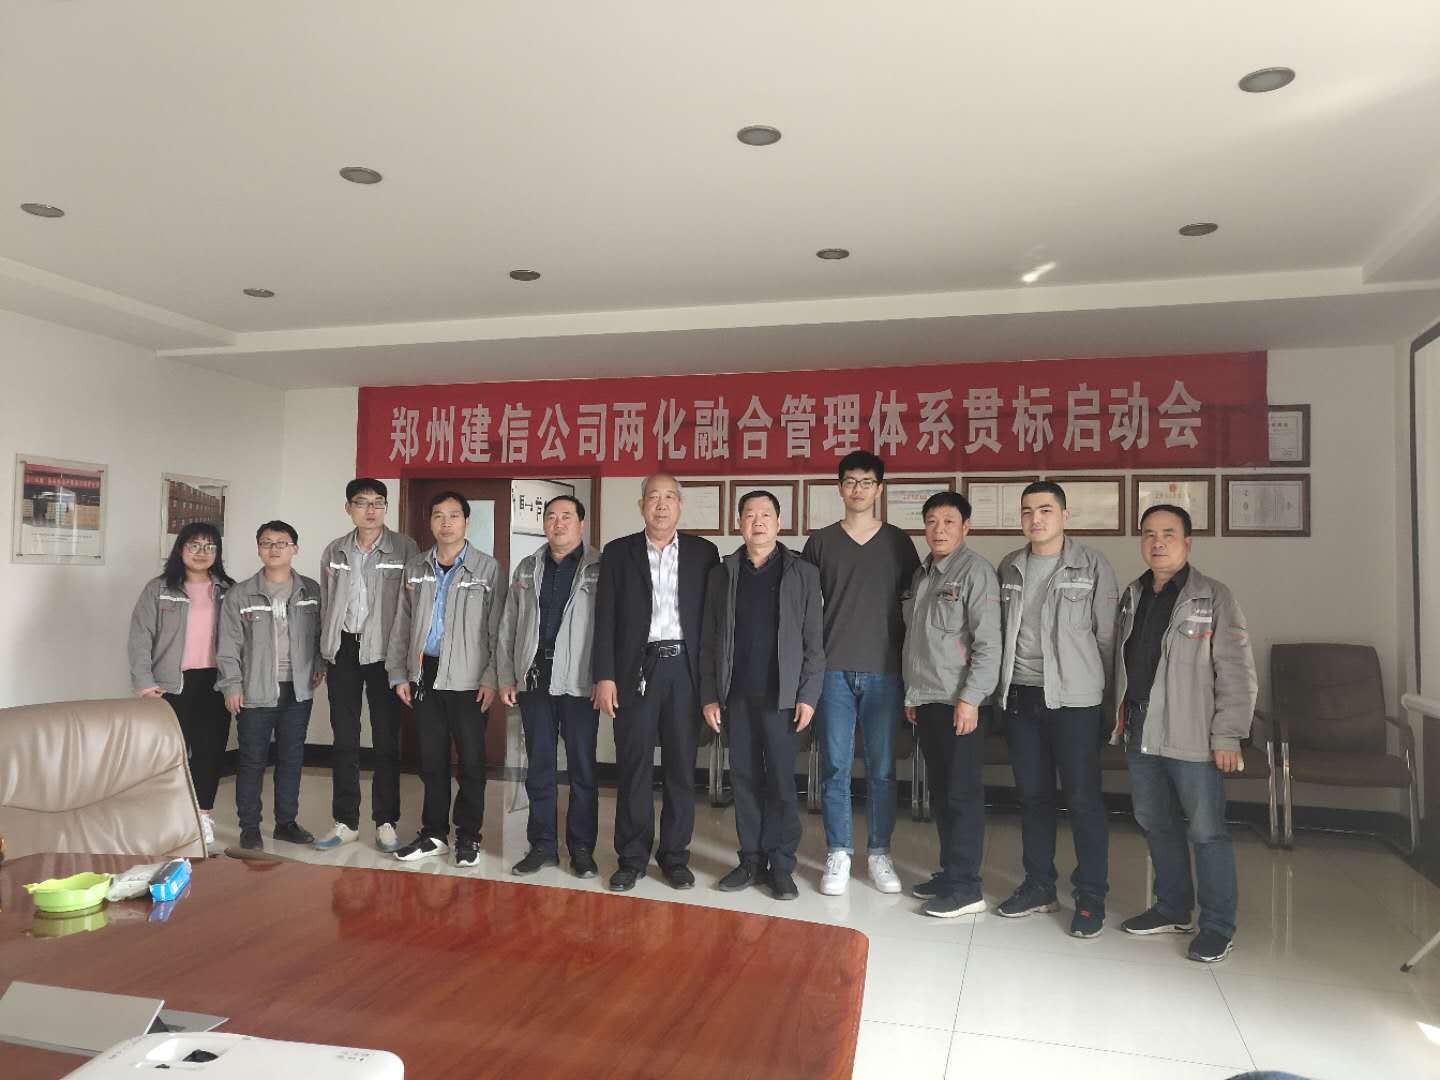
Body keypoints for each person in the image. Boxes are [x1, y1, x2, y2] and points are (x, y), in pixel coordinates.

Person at [1115, 504, 1257, 963]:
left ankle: (1217, 926)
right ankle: (1172, 908)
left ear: (1188, 542)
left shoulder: (1214, 597)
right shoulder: (1133, 594)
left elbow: (1236, 671)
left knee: (1206, 831)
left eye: (1168, 534)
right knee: (1155, 822)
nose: (1157, 542)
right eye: (1149, 534)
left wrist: (1228, 735)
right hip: (1141, 728)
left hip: (1193, 733)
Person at [993, 480, 1118, 938]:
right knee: (1033, 797)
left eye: (1045, 509)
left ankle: (1091, 895)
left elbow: (1107, 639)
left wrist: (1101, 697)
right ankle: (1039, 885)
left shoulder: (1092, 566)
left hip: (1074, 701)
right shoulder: (1009, 566)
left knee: (1083, 800)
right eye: (1027, 511)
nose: (1036, 519)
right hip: (1021, 696)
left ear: (1065, 515)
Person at [593, 473, 720, 892]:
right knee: (634, 767)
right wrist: (605, 676)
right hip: (637, 670)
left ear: (680, 505)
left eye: (669, 498)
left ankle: (674, 857)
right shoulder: (618, 552)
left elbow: (712, 624)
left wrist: (710, 685)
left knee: (682, 767)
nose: (661, 505)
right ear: (641, 505)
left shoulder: (704, 553)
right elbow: (605, 618)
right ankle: (631, 858)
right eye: (653, 497)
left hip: (685, 671)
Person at [802, 450, 920, 896]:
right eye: (850, 481)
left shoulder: (898, 542)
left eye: (866, 482)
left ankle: (879, 853)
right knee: (834, 765)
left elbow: (916, 606)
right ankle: (839, 851)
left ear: (879, 488)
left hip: (885, 671)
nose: (858, 489)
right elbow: (806, 607)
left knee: (883, 768)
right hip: (833, 671)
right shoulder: (821, 542)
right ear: (840, 488)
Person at [700, 490, 825, 901]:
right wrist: (710, 695)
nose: (757, 521)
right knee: (745, 780)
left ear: (779, 522)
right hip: (736, 696)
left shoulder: (802, 573)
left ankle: (781, 865)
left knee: (782, 784)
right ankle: (750, 860)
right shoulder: (723, 573)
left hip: (783, 699)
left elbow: (814, 642)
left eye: (765, 514)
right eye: (749, 514)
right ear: (739, 523)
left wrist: (808, 694)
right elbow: (709, 640)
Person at [386, 490, 506, 868]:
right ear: (430, 522)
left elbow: (499, 629)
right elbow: (402, 624)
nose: (446, 523)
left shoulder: (487, 569)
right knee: (432, 760)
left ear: (466, 522)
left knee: (471, 762)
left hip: (470, 678)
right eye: (438, 515)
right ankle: (434, 834)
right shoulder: (416, 567)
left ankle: (468, 836)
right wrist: (399, 673)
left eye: (454, 515)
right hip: (426, 673)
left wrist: (491, 677)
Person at [902, 492, 1002, 917]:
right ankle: (950, 872)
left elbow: (988, 644)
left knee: (962, 794)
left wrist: (971, 699)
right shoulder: (922, 574)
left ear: (966, 527)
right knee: (941, 792)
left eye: (948, 521)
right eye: (931, 521)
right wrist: (913, 695)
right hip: (928, 699)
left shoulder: (975, 572)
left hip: (960, 702)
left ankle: (967, 887)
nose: (938, 529)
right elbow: (918, 642)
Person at [498, 494, 602, 879]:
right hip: (535, 678)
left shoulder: (600, 567)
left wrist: (605, 677)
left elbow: (611, 628)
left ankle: (581, 848)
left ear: (581, 524)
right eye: (551, 517)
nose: (558, 523)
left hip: (580, 681)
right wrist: (506, 675)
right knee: (539, 766)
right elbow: (509, 625)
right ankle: (542, 844)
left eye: (566, 517)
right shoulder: (528, 567)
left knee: (582, 768)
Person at [315, 479, 419, 853]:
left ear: (386, 508)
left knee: (386, 739)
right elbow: (326, 604)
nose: (370, 510)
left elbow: (412, 607)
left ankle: (385, 821)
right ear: (349, 508)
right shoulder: (335, 550)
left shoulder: (405, 548)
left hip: (385, 652)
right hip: (343, 649)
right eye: (362, 503)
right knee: (344, 737)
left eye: (378, 502)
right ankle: (346, 821)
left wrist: (406, 661)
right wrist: (323, 653)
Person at [217, 520, 324, 851]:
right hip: (255, 689)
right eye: (267, 542)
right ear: (259, 549)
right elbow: (228, 645)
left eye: (282, 542)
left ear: (295, 548)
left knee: (291, 757)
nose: (274, 548)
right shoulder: (240, 594)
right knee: (252, 760)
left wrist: (318, 665)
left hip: (298, 689)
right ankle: (250, 827)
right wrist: (232, 686)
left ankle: (286, 823)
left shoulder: (311, 590)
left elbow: (320, 634)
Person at [129, 522, 235, 849]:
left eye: (209, 547)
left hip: (215, 682)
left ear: (217, 553)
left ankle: (202, 816)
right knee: (168, 754)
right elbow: (140, 638)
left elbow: (242, 641)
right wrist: (145, 684)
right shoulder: (159, 588)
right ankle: (165, 817)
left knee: (209, 753)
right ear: (180, 549)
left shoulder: (228, 590)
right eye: (194, 545)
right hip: (170, 684)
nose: (202, 553)